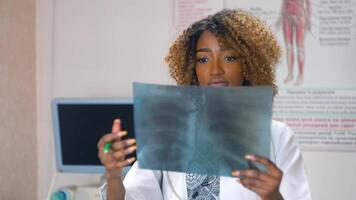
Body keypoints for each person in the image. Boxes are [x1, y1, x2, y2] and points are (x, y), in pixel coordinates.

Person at [97, 9, 312, 200]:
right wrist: (114, 175)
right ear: (193, 70)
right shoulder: (171, 133)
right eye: (203, 59)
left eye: (229, 58)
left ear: (248, 64)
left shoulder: (277, 136)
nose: (215, 70)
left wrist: (272, 196)